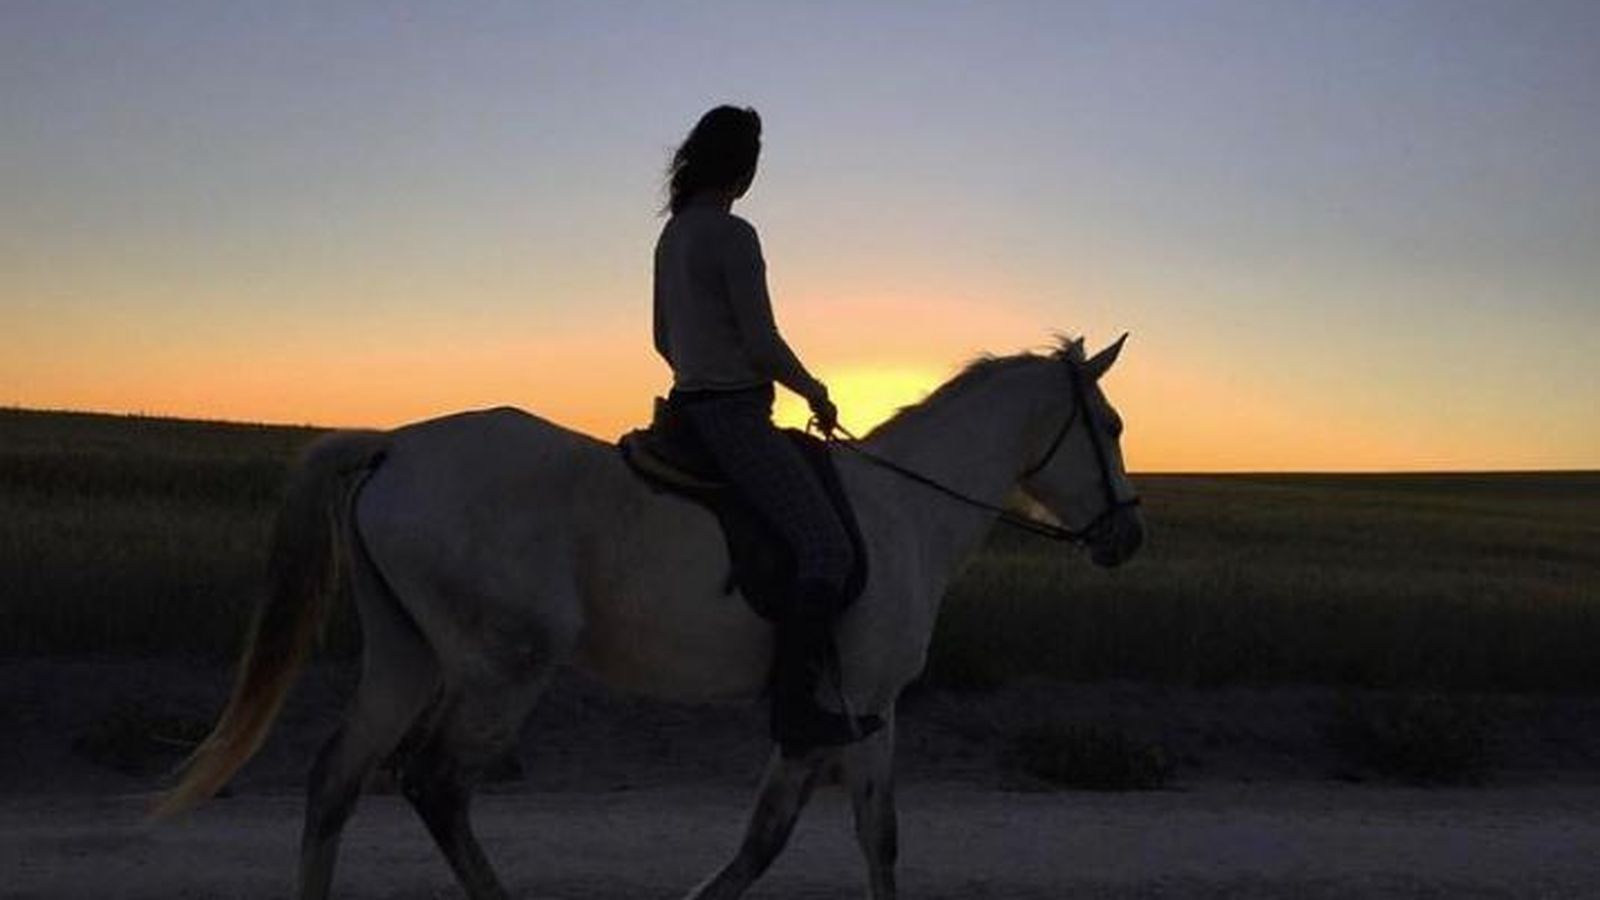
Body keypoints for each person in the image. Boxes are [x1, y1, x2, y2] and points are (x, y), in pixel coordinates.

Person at [653, 105, 872, 751]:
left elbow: (662, 338)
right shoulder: (733, 234)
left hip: (683, 410)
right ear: (743, 168)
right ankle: (795, 707)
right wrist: (816, 391)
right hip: (735, 416)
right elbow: (761, 342)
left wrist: (700, 365)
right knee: (827, 547)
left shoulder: (673, 236)